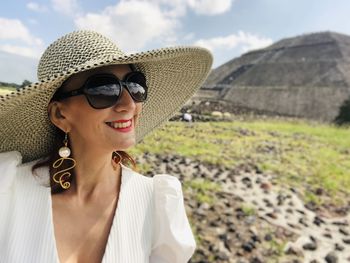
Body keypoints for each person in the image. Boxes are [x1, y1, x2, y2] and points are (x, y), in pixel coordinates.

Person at [0, 30, 212, 262]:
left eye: (135, 86)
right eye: (104, 90)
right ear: (60, 114)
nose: (129, 104)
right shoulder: (8, 192)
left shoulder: (155, 203)